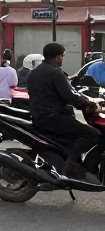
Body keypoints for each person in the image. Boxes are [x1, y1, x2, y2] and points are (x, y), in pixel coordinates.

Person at [26, 41, 103, 183]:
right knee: (94, 134)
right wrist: (90, 106)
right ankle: (70, 165)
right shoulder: (55, 72)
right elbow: (70, 96)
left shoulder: (35, 72)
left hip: (41, 116)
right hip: (54, 116)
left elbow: (70, 92)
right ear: (56, 57)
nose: (63, 59)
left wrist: (87, 101)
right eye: (62, 56)